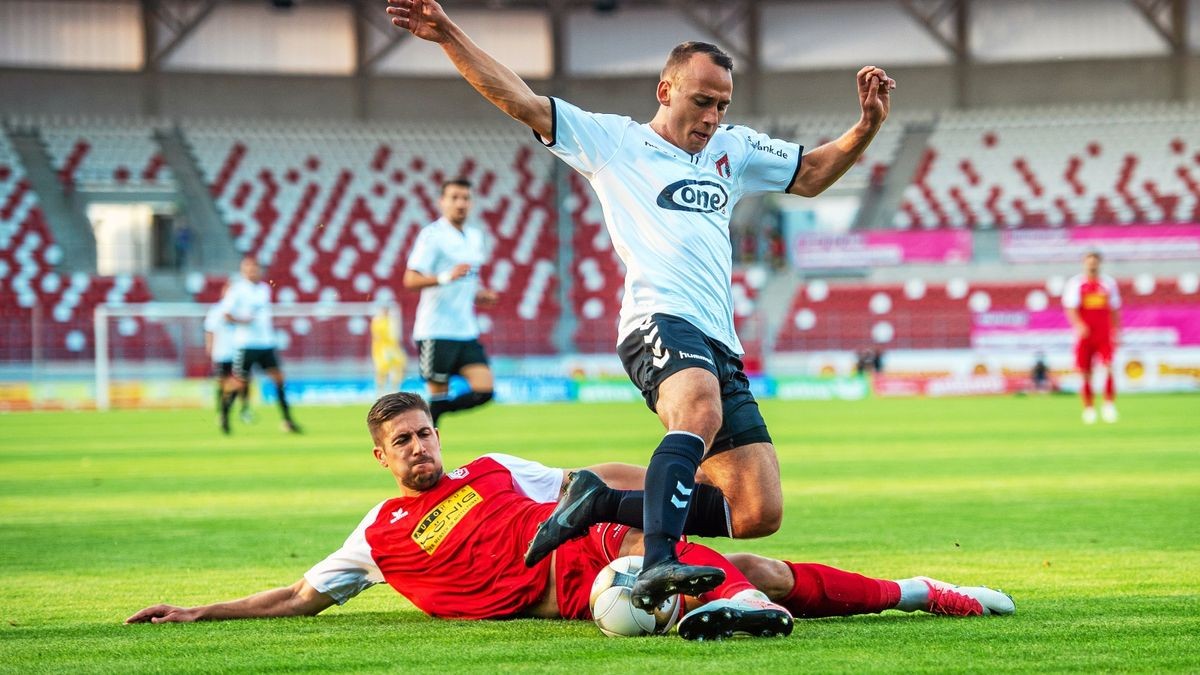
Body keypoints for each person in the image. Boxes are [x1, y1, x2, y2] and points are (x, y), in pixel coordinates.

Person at [386, 0, 897, 608]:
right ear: (666, 90)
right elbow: (519, 99)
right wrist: (448, 35)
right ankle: (658, 561)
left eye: (722, 105)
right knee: (698, 412)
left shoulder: (733, 150)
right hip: (657, 319)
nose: (712, 116)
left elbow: (811, 173)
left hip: (719, 339)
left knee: (757, 509)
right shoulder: (614, 142)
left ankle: (598, 500)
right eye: (701, 101)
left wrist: (865, 126)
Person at [125, 392, 1015, 640]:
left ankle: (922, 592)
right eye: (404, 441)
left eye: (426, 431)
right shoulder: (377, 537)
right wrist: (199, 610)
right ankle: (723, 602)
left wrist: (686, 480)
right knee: (636, 606)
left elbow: (589, 475)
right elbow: (296, 596)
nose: (421, 447)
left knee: (765, 572)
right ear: (380, 455)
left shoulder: (489, 466)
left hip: (601, 535)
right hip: (568, 588)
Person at [402, 178, 499, 426]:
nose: (460, 203)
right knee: (438, 393)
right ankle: (427, 445)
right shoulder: (432, 236)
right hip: (436, 330)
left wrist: (479, 295)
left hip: (466, 330)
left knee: (484, 391)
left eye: (465, 198)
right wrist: (447, 276)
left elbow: (466, 282)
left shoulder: (475, 237)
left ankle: (431, 414)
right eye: (454, 198)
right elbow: (410, 279)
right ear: (442, 202)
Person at [218, 255, 301, 434]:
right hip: (246, 344)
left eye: (255, 268)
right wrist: (243, 320)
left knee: (279, 379)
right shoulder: (237, 290)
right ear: (243, 270)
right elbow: (225, 314)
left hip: (266, 343)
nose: (253, 271)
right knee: (239, 382)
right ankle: (224, 416)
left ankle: (288, 420)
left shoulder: (264, 289)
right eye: (249, 268)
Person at [1062, 251, 1121, 424]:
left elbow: (1115, 309)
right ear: (1084, 264)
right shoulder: (1075, 284)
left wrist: (1116, 330)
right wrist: (1079, 325)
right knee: (1086, 372)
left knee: (1109, 366)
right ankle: (1089, 408)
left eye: (1095, 262)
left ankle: (1109, 405)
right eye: (1089, 262)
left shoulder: (1108, 284)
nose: (1092, 265)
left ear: (1099, 263)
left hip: (1104, 333)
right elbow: (1070, 308)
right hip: (1085, 335)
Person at [204, 282, 253, 424]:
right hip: (222, 352)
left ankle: (244, 410)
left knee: (243, 381)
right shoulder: (216, 310)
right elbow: (210, 330)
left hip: (240, 350)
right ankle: (221, 412)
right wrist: (210, 348)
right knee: (222, 383)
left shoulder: (241, 309)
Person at [370, 299, 408, 393]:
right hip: (382, 349)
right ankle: (381, 390)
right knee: (382, 370)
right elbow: (377, 337)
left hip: (393, 348)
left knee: (399, 366)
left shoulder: (391, 320)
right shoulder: (378, 321)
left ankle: (395, 388)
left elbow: (396, 336)